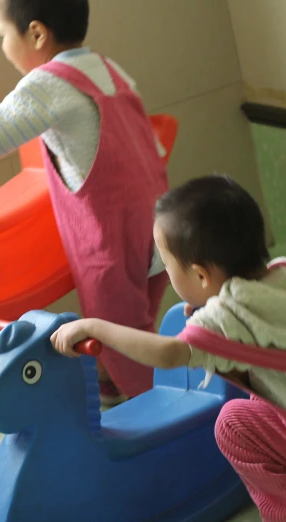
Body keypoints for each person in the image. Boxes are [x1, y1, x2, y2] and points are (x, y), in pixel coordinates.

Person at [0, 0, 169, 405]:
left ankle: (154, 408)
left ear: (37, 34)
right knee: (136, 325)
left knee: (118, 331)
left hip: (111, 239)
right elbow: (145, 140)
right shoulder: (105, 68)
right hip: (158, 224)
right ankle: (115, 384)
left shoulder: (46, 84)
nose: (4, 46)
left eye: (3, 34)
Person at [52, 175, 286, 522]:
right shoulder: (278, 274)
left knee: (233, 425)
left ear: (201, 276)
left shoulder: (228, 315)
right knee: (254, 398)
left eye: (166, 262)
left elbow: (167, 354)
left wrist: (93, 325)